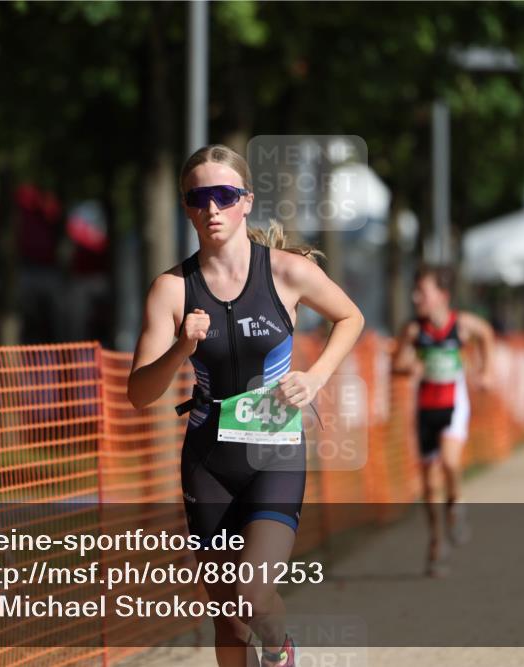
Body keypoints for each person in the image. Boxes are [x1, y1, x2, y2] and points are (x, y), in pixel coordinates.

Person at [127, 144, 364, 667]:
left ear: (245, 202)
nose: (212, 208)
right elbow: (141, 394)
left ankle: (280, 652)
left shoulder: (285, 273)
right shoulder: (171, 289)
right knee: (229, 616)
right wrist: (180, 348)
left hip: (274, 458)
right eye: (199, 197)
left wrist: (316, 377)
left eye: (224, 195)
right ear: (186, 206)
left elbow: (351, 318)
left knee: (253, 597)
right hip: (209, 462)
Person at [392, 265, 495, 577]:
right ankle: (436, 543)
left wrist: (485, 370)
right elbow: (398, 363)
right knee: (428, 482)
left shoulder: (461, 325)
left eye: (423, 291)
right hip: (426, 407)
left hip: (454, 404)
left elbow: (486, 334)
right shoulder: (413, 330)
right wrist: (410, 366)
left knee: (450, 463)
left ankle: (457, 503)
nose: (416, 297)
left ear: (442, 296)